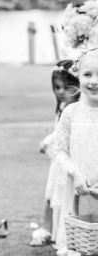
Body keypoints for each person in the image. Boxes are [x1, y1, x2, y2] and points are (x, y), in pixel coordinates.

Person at [50, 49, 98, 255]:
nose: (94, 81)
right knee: (79, 243)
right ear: (78, 76)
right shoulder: (71, 113)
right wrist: (75, 173)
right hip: (78, 191)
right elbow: (59, 151)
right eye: (88, 74)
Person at [30, 61, 80, 247]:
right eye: (57, 87)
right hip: (57, 162)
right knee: (51, 195)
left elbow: (61, 134)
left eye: (66, 87)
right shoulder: (62, 108)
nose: (61, 92)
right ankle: (48, 228)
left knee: (66, 197)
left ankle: (68, 234)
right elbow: (58, 132)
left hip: (69, 161)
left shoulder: (76, 111)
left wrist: (48, 141)